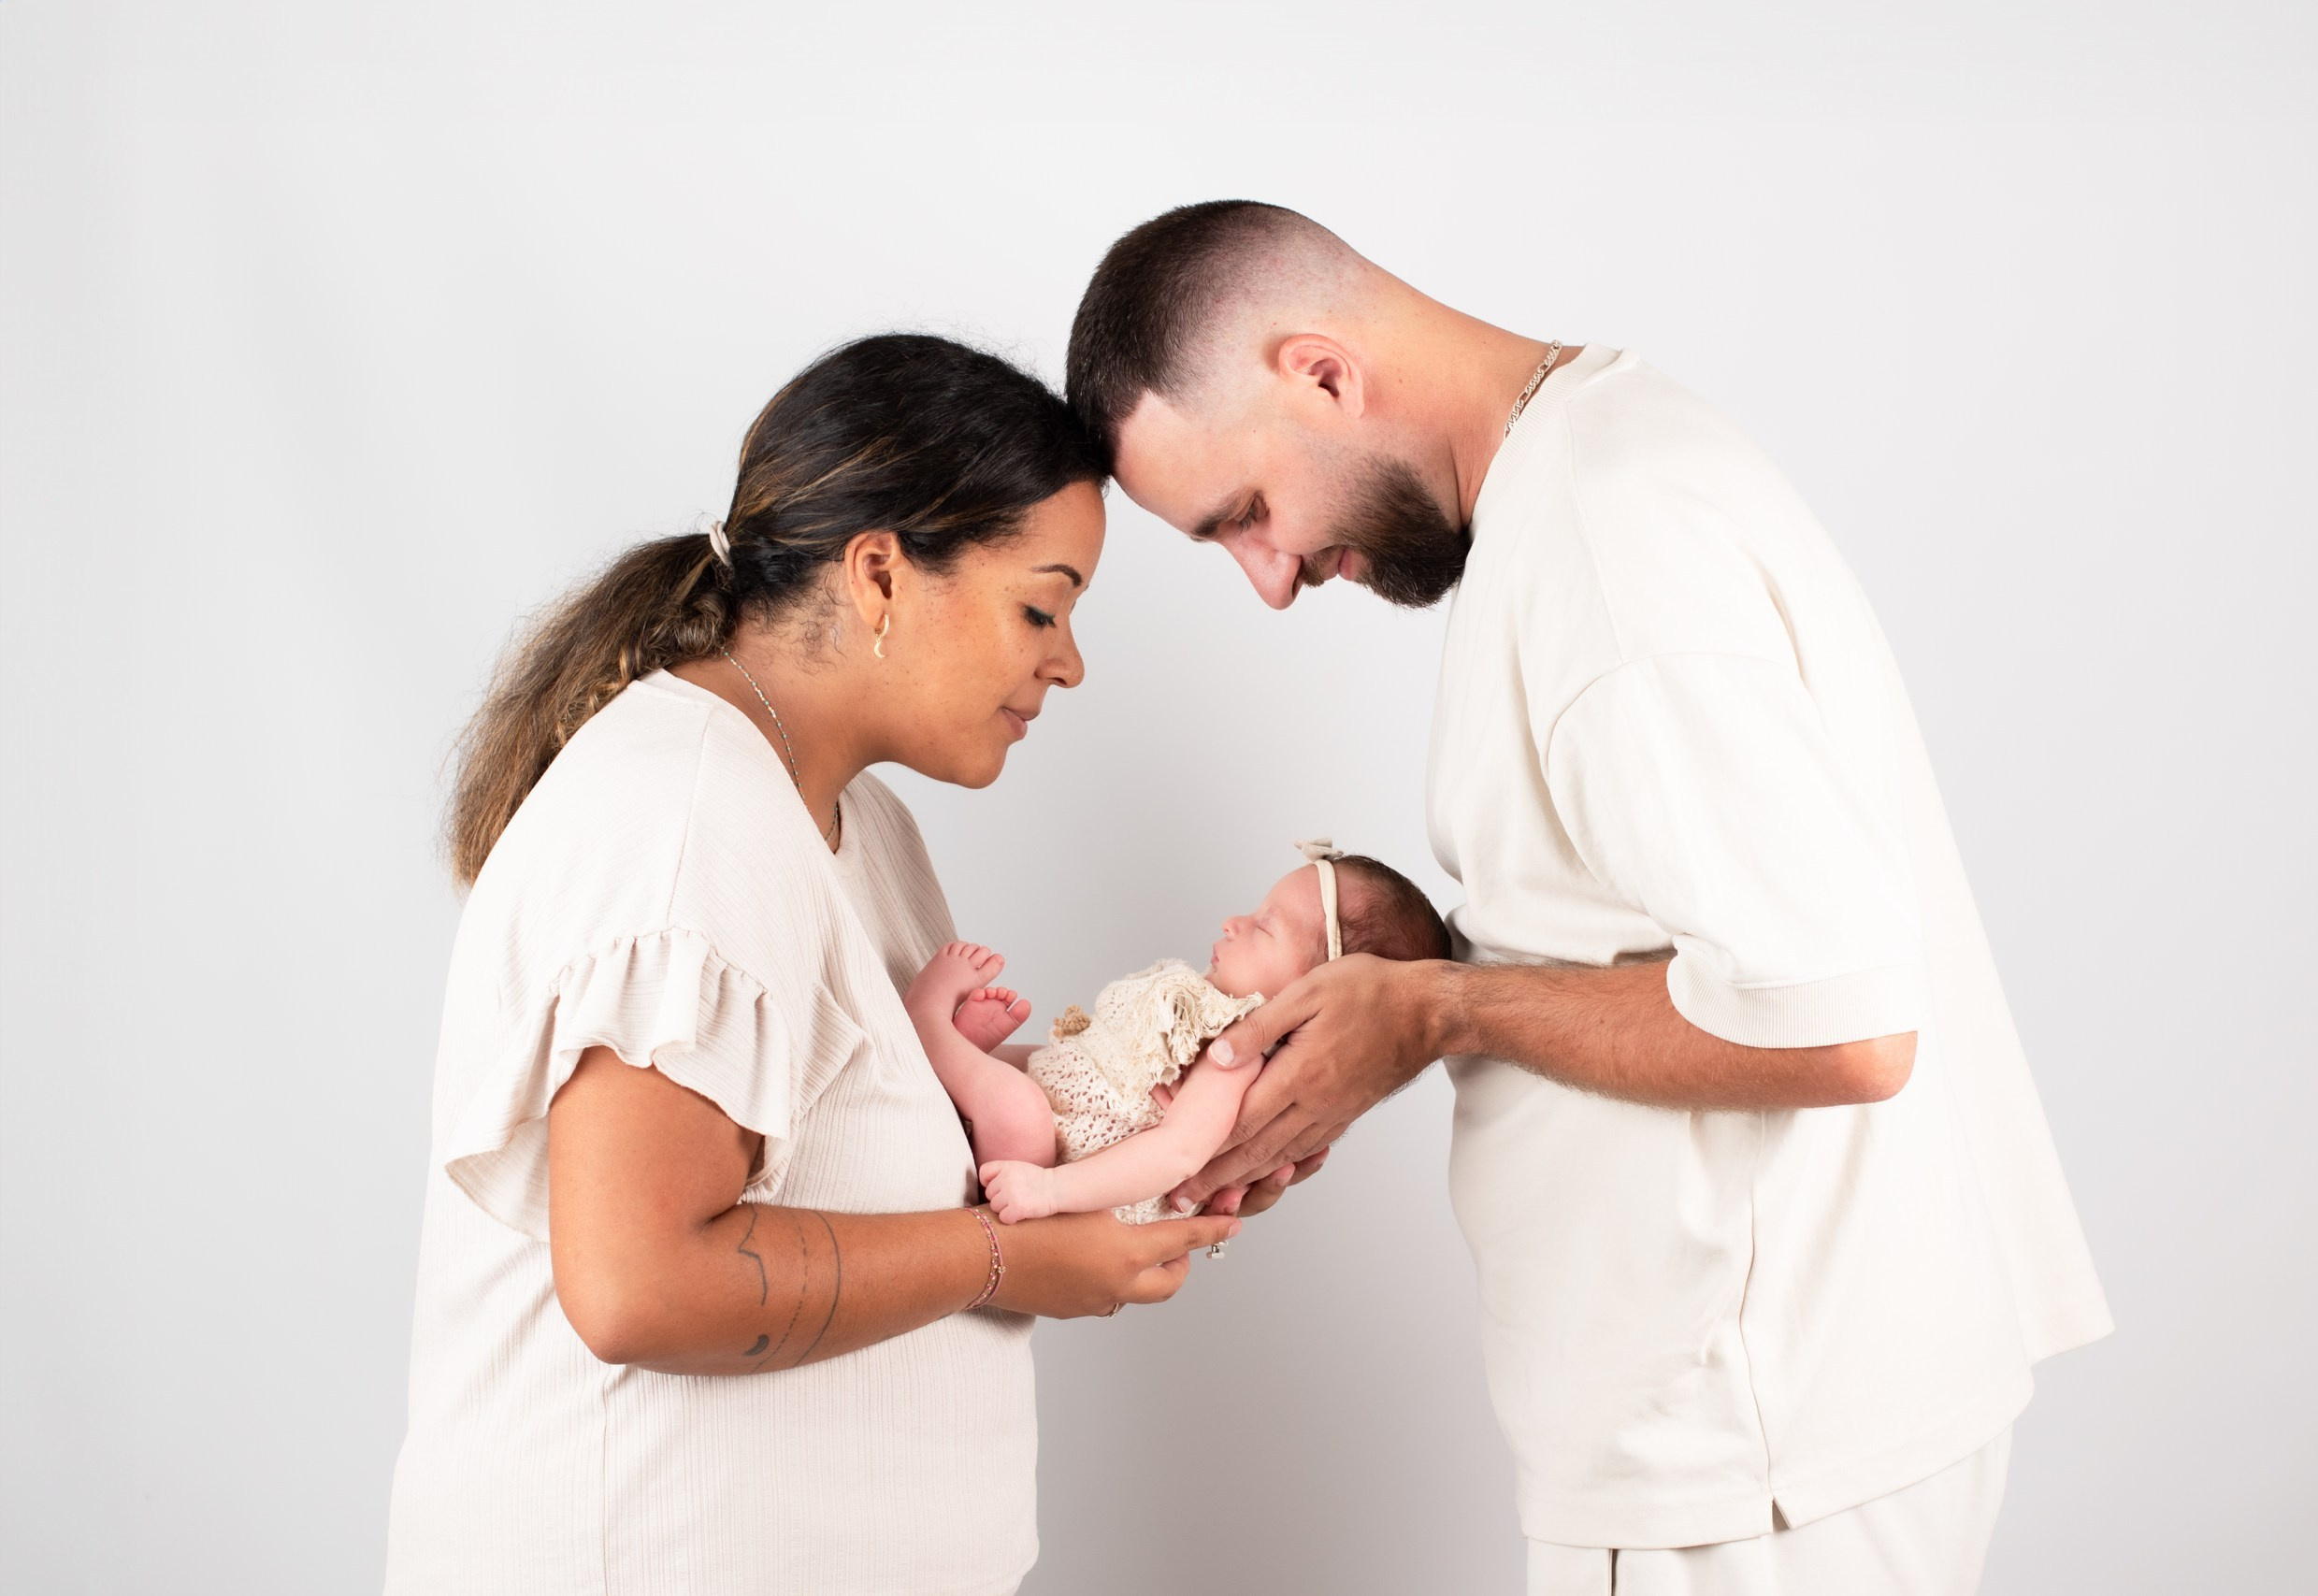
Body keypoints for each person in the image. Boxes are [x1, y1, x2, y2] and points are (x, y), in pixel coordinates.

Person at [1065, 203, 2112, 1595]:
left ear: (1322, 373)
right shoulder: (1598, 474)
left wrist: (1436, 1008)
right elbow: (1685, 927)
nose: (1268, 578)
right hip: (1771, 1437)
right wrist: (1414, 969)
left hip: (1747, 1463)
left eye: (1246, 513)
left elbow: (1842, 1028)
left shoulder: (1607, 548)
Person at [383, 334, 1250, 1596]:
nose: (1067, 659)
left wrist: (1169, 1114)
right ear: (882, 573)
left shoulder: (853, 824)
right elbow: (643, 1280)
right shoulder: (684, 822)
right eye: (1040, 605)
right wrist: (1013, 1258)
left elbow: (884, 1137)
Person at [906, 844, 1448, 1223]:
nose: (1232, 922)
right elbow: (1090, 1060)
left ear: (1318, 993)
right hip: (1066, 1111)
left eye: (1263, 927)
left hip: (1060, 1173)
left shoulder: (1235, 1054)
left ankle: (929, 1025)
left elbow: (1177, 1154)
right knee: (1042, 1065)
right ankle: (979, 1058)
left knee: (1019, 1107)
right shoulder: (1196, 1004)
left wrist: (1050, 1190)